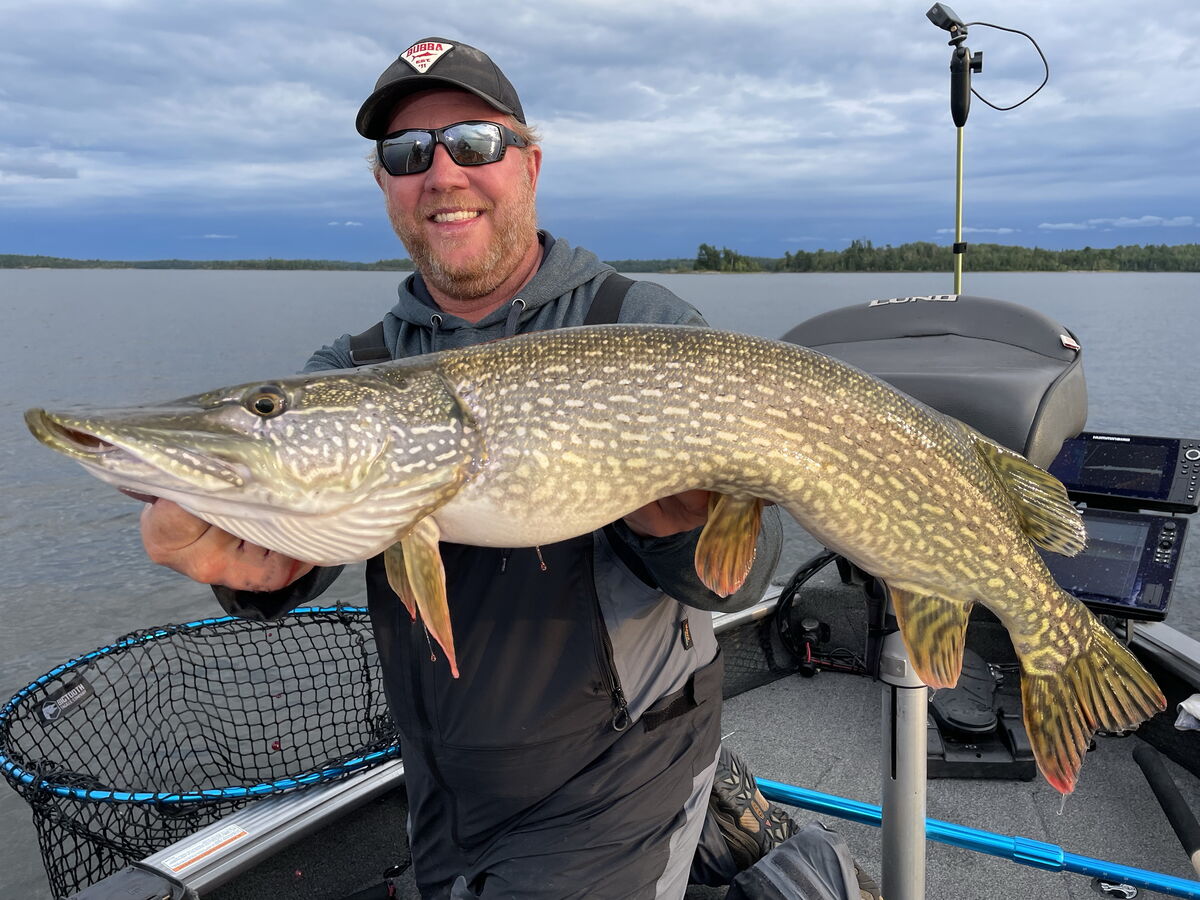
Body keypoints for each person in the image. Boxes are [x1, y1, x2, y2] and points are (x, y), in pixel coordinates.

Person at [140, 37, 876, 900]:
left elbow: (741, 571)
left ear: (528, 165)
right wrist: (247, 562)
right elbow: (308, 542)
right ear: (385, 186)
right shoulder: (354, 366)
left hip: (625, 769)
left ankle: (787, 859)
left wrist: (678, 526)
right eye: (408, 153)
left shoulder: (636, 321)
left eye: (474, 143)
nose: (442, 173)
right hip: (445, 782)